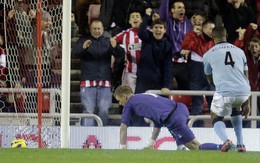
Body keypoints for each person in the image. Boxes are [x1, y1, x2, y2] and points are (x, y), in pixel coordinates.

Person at [114, 84, 229, 151]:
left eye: (119, 100)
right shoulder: (143, 96)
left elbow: (123, 127)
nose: (120, 104)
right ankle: (181, 149)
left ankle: (222, 146)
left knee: (195, 146)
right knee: (181, 140)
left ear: (124, 96)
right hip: (180, 109)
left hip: (173, 118)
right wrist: (151, 143)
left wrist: (123, 148)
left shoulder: (129, 103)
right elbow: (157, 123)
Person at [203, 26, 251, 152]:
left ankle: (226, 141)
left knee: (215, 116)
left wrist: (220, 85)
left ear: (212, 37)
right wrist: (247, 100)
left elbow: (209, 78)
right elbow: (246, 76)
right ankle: (241, 144)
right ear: (227, 35)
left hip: (224, 91)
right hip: (243, 90)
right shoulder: (240, 51)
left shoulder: (208, 54)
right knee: (236, 109)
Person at [72, 20, 125, 126]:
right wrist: (83, 48)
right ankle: (86, 137)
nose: (96, 31)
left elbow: (120, 56)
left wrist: (116, 47)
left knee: (104, 110)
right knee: (88, 111)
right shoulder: (83, 40)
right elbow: (75, 53)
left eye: (98, 28)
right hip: (87, 82)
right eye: (94, 29)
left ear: (103, 29)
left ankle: (101, 135)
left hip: (105, 82)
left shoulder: (108, 41)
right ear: (90, 29)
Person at [159, 0, 193, 90]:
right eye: (179, 7)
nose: (182, 9)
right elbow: (162, 12)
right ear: (172, 10)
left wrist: (188, 49)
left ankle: (184, 105)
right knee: (165, 89)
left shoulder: (189, 24)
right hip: (169, 62)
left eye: (183, 8)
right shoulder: (167, 21)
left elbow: (192, 41)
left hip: (183, 64)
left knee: (186, 90)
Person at [114, 11, 143, 93]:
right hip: (130, 71)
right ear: (129, 21)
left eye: (137, 16)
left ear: (141, 20)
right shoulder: (125, 34)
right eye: (132, 17)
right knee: (129, 97)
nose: (135, 18)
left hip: (145, 71)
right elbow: (112, 41)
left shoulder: (149, 32)